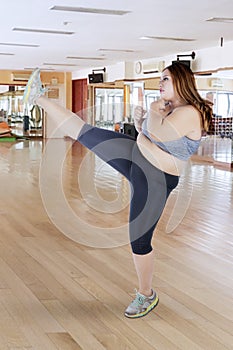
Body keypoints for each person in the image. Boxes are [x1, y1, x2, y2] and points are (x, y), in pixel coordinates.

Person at [23, 63, 212, 318]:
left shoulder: (189, 112)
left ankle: (147, 295)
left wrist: (150, 118)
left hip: (156, 179)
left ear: (181, 81)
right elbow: (147, 136)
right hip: (139, 159)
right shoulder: (169, 109)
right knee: (83, 132)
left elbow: (157, 134)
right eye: (160, 79)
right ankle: (38, 97)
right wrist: (141, 123)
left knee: (139, 241)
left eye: (165, 79)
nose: (160, 83)